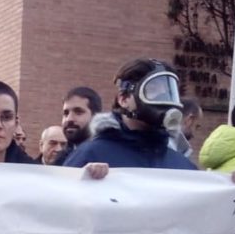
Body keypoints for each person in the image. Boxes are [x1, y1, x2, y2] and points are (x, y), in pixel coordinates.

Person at [63, 59, 196, 170]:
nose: (163, 100)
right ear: (124, 99)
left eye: (168, 93)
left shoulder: (183, 167)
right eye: (153, 90)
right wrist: (84, 179)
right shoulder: (91, 156)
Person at [54, 86, 102, 166]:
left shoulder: (108, 154)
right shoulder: (60, 159)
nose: (69, 119)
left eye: (78, 112)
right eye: (66, 113)